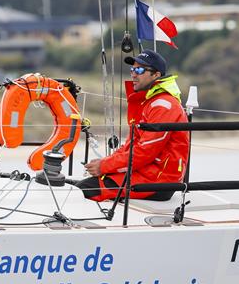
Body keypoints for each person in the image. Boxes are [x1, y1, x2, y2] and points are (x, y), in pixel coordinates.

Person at [78, 50, 189, 202]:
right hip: (145, 173)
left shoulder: (163, 105)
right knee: (77, 187)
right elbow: (131, 146)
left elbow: (145, 152)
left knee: (85, 190)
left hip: (160, 180)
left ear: (156, 75)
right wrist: (105, 163)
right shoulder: (149, 102)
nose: (133, 74)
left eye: (140, 70)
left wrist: (104, 166)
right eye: (132, 69)